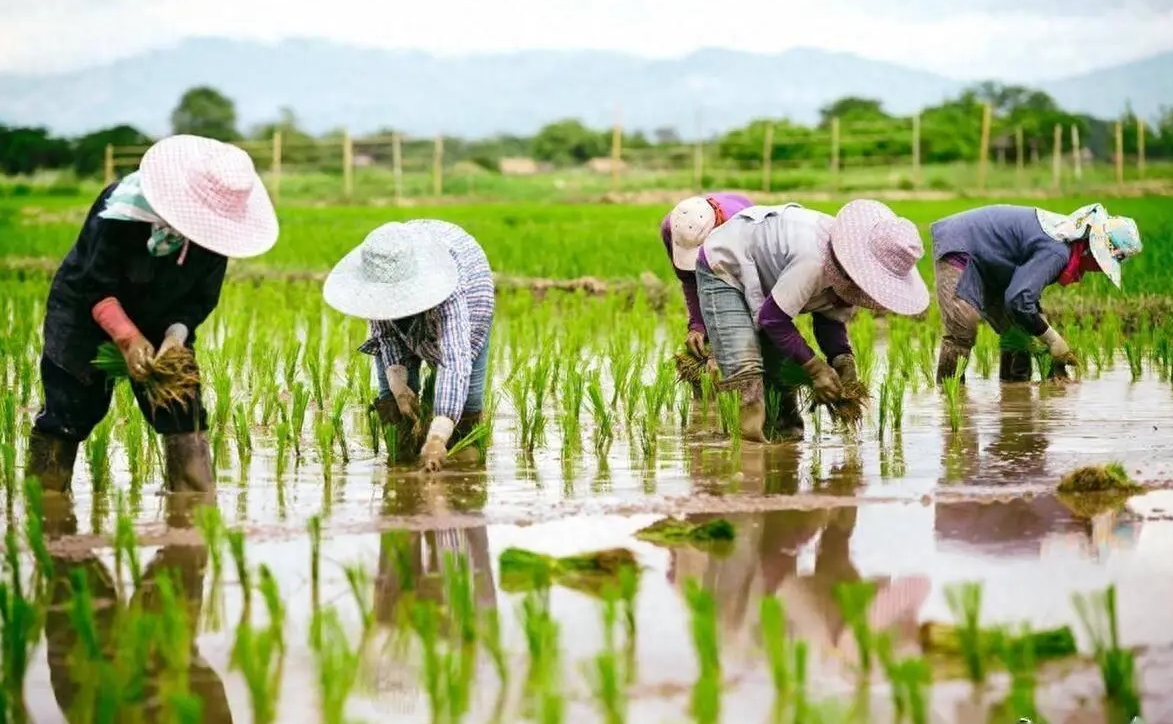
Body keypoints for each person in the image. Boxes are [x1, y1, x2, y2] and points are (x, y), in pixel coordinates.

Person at [27, 134, 279, 495]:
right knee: (69, 411)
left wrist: (175, 339)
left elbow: (199, 300)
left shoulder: (217, 233)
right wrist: (128, 339)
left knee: (182, 407)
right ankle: (45, 506)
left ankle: (191, 509)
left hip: (164, 323)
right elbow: (94, 284)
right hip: (85, 316)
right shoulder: (121, 211)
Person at [696, 200, 931, 442]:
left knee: (781, 372)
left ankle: (785, 447)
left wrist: (841, 357)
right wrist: (816, 369)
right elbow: (773, 319)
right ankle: (745, 456)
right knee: (746, 371)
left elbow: (829, 317)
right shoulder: (813, 260)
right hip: (725, 266)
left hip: (768, 284)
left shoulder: (849, 271)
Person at [324, 219, 494, 473]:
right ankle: (402, 461)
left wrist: (438, 435)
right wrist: (399, 387)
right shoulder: (377, 280)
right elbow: (387, 336)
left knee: (467, 408)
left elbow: (455, 362)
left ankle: (463, 474)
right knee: (392, 403)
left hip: (473, 299)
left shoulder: (450, 288)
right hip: (403, 283)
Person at [932, 203, 1143, 384]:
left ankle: (1014, 394)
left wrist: (1054, 364)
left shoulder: (1067, 241)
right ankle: (949, 396)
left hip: (993, 263)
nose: (1099, 269)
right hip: (961, 245)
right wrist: (1053, 340)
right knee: (963, 325)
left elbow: (1025, 301)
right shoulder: (1058, 251)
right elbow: (1019, 299)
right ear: (1094, 250)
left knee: (1020, 331)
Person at [661, 193, 753, 362]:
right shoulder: (671, 228)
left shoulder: (741, 226)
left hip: (740, 240)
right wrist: (697, 325)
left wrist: (726, 345)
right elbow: (689, 280)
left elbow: (748, 290)